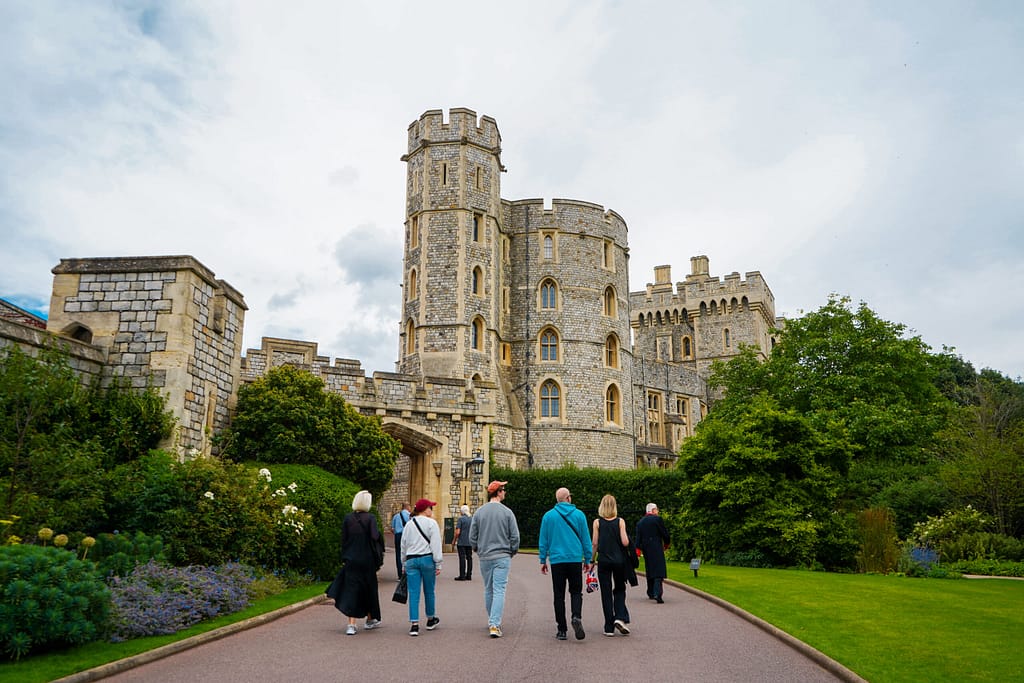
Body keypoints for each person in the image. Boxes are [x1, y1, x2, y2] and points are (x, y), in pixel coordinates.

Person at [538, 487, 592, 641]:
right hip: (574, 559)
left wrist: (543, 559)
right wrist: (587, 559)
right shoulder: (579, 515)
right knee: (576, 592)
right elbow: (586, 539)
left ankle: (561, 629)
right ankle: (576, 616)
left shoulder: (548, 516)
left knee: (559, 595)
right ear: (568, 498)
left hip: (557, 560)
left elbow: (544, 540)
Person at [469, 480, 520, 638]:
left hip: (485, 556)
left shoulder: (479, 512)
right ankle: (494, 624)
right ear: (498, 492)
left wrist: (477, 548)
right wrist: (512, 551)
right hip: (502, 555)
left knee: (489, 589)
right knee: (499, 590)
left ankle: (492, 619)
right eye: (503, 489)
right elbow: (515, 536)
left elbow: (472, 537)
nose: (504, 492)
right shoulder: (507, 512)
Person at [338, 490, 385, 636]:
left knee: (352, 589)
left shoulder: (348, 518)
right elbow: (374, 536)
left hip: (352, 558)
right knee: (369, 588)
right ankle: (370, 619)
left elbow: (344, 540)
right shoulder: (370, 518)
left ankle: (351, 624)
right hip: (367, 559)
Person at [400, 498, 443, 636]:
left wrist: (403, 562)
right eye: (431, 507)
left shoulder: (409, 524)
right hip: (427, 558)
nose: (432, 510)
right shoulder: (432, 523)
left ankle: (414, 624)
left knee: (414, 592)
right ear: (425, 509)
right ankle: (430, 619)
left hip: (411, 560)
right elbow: (436, 544)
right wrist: (438, 563)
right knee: (429, 590)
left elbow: (403, 545)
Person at [591, 494, 631, 637]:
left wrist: (591, 560)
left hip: (604, 561)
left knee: (606, 592)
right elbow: (625, 542)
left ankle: (608, 626)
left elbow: (595, 543)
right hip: (619, 561)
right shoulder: (620, 521)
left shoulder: (597, 522)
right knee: (620, 588)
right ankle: (620, 617)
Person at [635, 502, 671, 603]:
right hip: (656, 547)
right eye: (657, 509)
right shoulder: (657, 519)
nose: (658, 511)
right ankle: (657, 593)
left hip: (646, 548)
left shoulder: (640, 522)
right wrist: (667, 543)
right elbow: (664, 533)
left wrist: (638, 551)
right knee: (659, 570)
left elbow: (638, 539)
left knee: (649, 569)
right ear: (653, 510)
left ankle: (650, 591)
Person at [453, 505, 474, 581]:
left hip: (462, 542)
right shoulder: (472, 519)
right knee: (469, 558)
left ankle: (462, 575)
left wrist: (454, 540)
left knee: (462, 558)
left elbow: (457, 532)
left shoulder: (461, 519)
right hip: (470, 542)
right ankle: (469, 575)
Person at [391, 502, 411, 579]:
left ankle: (400, 575)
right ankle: (407, 573)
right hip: (407, 536)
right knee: (408, 553)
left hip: (398, 536)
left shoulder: (396, 516)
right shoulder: (410, 516)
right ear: (407, 507)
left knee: (398, 554)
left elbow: (392, 529)